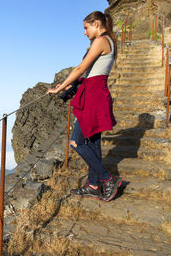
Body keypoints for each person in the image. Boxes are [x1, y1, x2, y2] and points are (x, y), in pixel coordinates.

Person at [47, 11, 122, 202]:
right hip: (96, 94)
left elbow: (81, 68)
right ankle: (94, 185)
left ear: (96, 23)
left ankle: (108, 178)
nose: (84, 32)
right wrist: (67, 85)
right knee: (93, 142)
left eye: (86, 28)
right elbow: (89, 72)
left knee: (76, 142)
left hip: (93, 97)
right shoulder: (108, 41)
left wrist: (60, 88)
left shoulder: (101, 41)